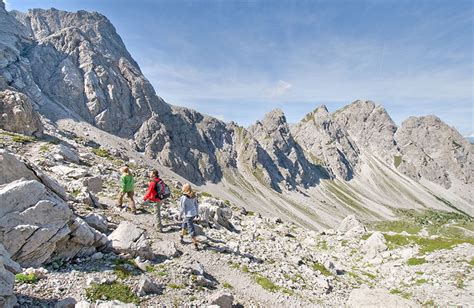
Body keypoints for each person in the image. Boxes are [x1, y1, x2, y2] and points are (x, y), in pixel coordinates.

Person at [180, 183, 199, 250]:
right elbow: (196, 205)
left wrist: (180, 215)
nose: (182, 188)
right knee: (184, 223)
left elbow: (182, 208)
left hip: (188, 215)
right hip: (193, 214)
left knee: (190, 228)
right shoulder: (194, 195)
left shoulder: (183, 197)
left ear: (185, 189)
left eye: (183, 187)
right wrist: (197, 213)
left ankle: (195, 244)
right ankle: (181, 236)